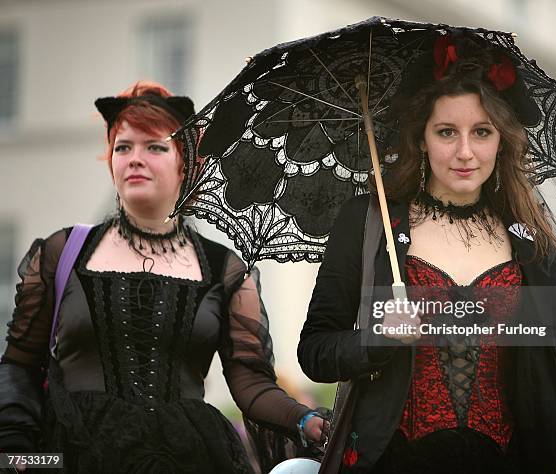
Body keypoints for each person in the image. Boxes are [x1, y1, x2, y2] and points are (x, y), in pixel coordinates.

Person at [298, 33, 556, 474]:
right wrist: (376, 339)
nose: (465, 152)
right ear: (421, 138)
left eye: (481, 132)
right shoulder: (369, 223)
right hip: (391, 461)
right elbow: (315, 350)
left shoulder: (528, 238)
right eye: (447, 132)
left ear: (501, 141)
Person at [0, 81, 325, 473]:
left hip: (189, 459)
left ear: (185, 162)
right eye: (123, 147)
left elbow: (251, 384)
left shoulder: (225, 271)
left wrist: (304, 419)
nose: (135, 158)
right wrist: (17, 455)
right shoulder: (61, 252)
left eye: (154, 146)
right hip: (74, 458)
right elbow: (18, 365)